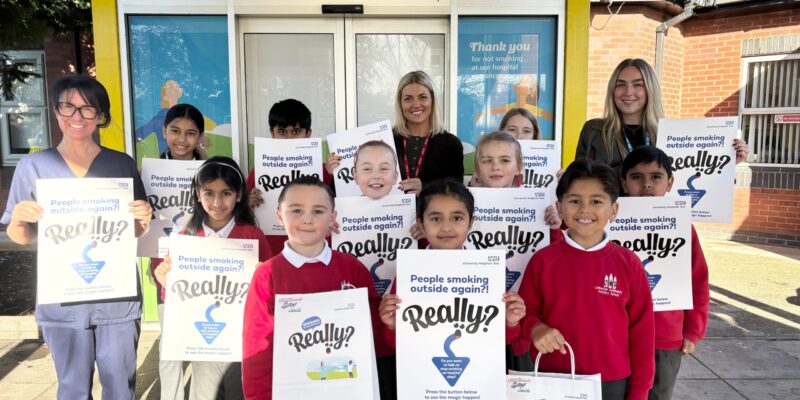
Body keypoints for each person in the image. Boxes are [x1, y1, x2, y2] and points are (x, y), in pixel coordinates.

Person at [2, 75, 153, 399]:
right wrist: (19, 218)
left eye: (87, 109)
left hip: (116, 298)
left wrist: (142, 220)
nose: (76, 117)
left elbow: (134, 233)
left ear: (100, 115)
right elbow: (20, 236)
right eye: (67, 107)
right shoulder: (34, 166)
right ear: (56, 111)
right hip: (63, 297)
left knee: (120, 386)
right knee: (72, 388)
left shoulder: (121, 164)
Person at [512, 159, 655, 400]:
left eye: (596, 201)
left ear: (614, 210)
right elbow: (526, 311)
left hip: (612, 382)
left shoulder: (628, 264)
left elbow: (642, 332)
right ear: (559, 207)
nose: (584, 210)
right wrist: (536, 329)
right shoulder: (543, 261)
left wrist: (639, 391)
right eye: (575, 201)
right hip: (552, 378)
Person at [241, 176, 389, 400]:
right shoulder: (267, 275)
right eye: (296, 210)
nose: (307, 219)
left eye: (318, 211)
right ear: (280, 216)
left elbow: (374, 341)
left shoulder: (352, 268)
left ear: (333, 218)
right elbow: (256, 351)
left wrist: (389, 323)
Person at [378, 178, 527, 400]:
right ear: (421, 224)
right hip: (424, 383)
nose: (446, 227)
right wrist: (391, 326)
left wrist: (511, 321)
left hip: (478, 383)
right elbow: (397, 344)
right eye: (435, 218)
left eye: (457, 218)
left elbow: (502, 340)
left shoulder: (487, 270)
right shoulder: (409, 273)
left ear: (470, 222)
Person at [154, 156, 273, 400]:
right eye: (208, 193)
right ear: (197, 194)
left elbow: (270, 292)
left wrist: (261, 280)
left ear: (239, 195)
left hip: (241, 342)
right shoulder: (184, 238)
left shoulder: (252, 236)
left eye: (226, 193)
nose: (217, 202)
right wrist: (167, 283)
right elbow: (176, 299)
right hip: (203, 343)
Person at [620, 146, 709, 400]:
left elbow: (698, 281)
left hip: (665, 335)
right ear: (623, 183)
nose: (646, 184)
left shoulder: (682, 226)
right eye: (636, 177)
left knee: (658, 393)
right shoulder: (608, 221)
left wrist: (694, 329)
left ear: (669, 183)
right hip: (617, 333)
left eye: (656, 177)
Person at [575, 58, 749, 177]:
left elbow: (690, 177)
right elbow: (581, 183)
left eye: (638, 85)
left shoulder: (671, 135)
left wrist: (726, 162)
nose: (628, 92)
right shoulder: (594, 131)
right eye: (621, 85)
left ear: (650, 89)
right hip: (609, 225)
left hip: (658, 223)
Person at [147, 102, 208, 400]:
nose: (182, 139)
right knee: (170, 345)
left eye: (191, 133)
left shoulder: (210, 172)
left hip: (205, 267)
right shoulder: (149, 174)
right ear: (164, 131)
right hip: (165, 266)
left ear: (200, 137)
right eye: (175, 131)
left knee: (200, 342)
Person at [247, 98, 334, 254]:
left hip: (314, 250)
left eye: (296, 131)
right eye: (282, 132)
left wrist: (331, 174)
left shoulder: (324, 171)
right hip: (272, 249)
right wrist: (247, 203)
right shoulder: (258, 172)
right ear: (272, 133)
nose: (288, 138)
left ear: (308, 134)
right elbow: (242, 213)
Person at [390, 71, 464, 194]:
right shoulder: (387, 140)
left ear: (432, 100)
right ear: (400, 104)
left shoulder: (451, 144)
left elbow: (458, 193)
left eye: (422, 97)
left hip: (432, 213)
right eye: (408, 99)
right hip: (391, 213)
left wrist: (425, 188)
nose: (416, 104)